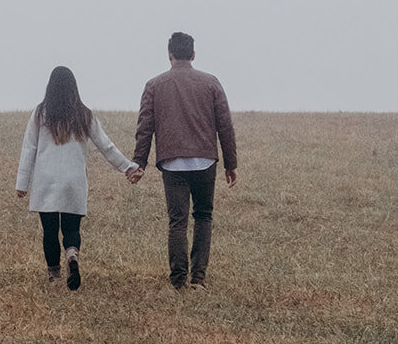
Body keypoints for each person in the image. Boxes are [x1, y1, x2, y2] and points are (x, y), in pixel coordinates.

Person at [16, 65, 142, 290]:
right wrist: (128, 167)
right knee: (72, 229)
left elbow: (29, 149)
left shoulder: (40, 113)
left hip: (46, 180)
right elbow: (106, 146)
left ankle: (54, 277)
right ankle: (72, 255)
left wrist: (22, 183)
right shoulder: (85, 114)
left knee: (50, 231)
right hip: (74, 180)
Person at [131, 32, 238, 290]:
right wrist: (230, 163)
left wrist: (139, 162)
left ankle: (178, 281)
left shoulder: (154, 85)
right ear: (192, 55)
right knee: (203, 216)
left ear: (169, 55)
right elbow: (225, 126)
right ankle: (198, 279)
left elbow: (145, 127)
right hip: (205, 161)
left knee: (177, 221)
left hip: (172, 162)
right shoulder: (211, 83)